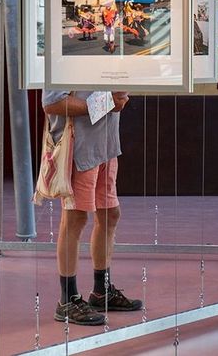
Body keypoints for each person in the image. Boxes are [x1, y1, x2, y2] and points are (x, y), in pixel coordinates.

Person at [42, 90, 143, 326]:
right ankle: (67, 301)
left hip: (105, 147)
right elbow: (52, 102)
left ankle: (101, 291)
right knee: (75, 218)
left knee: (110, 214)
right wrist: (107, 103)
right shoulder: (61, 56)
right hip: (80, 147)